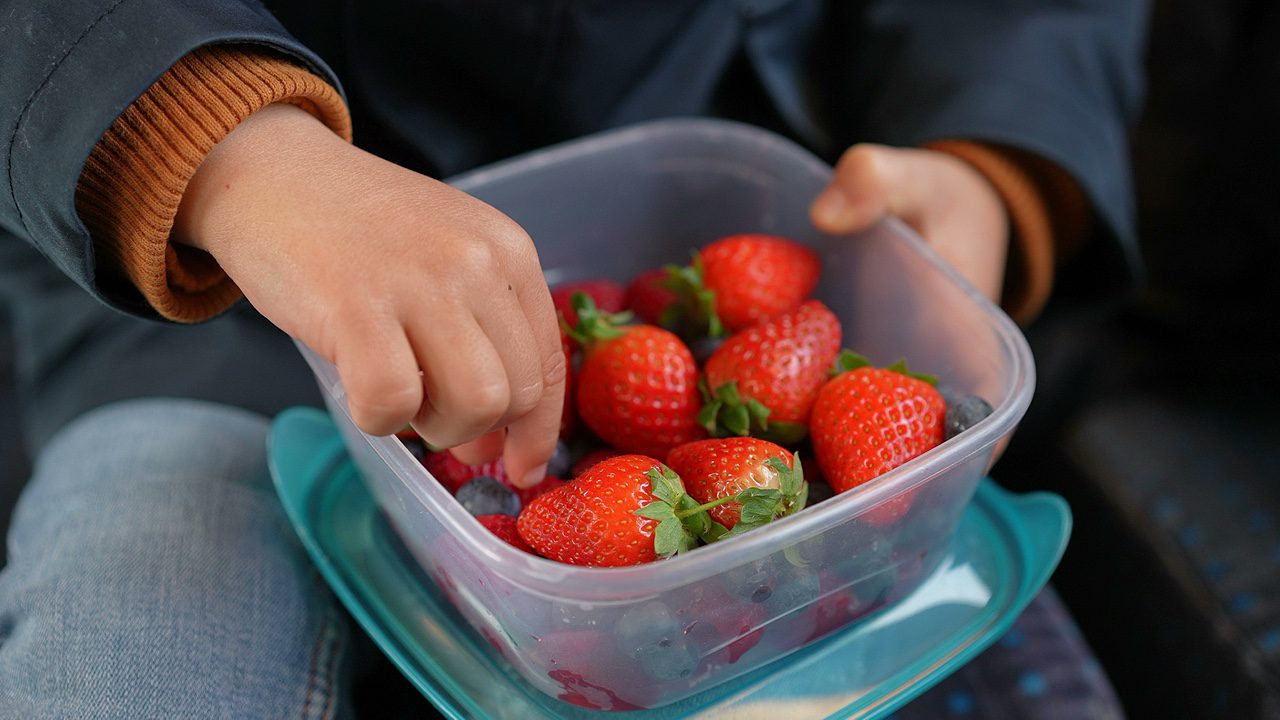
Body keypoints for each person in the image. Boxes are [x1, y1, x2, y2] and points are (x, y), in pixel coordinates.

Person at [0, 1, 1147, 716]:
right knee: (136, 617)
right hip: (215, 320)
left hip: (734, 213)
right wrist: (221, 148)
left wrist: (990, 159)